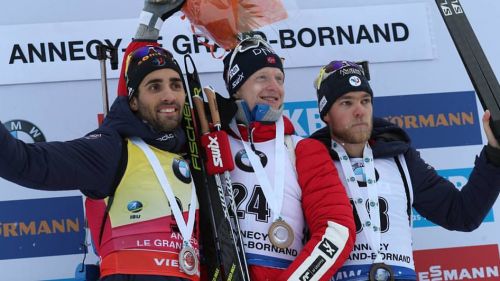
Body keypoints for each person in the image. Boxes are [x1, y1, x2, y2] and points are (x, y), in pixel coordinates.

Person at [0, 1, 201, 280]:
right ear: (132, 101)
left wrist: (152, 22)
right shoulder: (111, 150)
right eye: (155, 86)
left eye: (175, 85)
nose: (169, 95)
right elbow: (24, 163)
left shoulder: (194, 151)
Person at [309, 60, 500, 281]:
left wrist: (494, 154)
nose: (360, 111)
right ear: (326, 113)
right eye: (346, 103)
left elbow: (461, 214)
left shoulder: (400, 157)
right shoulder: (308, 161)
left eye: (365, 101)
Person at [214, 36, 356, 281]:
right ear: (237, 86)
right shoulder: (210, 142)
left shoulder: (303, 150)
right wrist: (148, 28)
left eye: (279, 79)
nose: (274, 87)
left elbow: (336, 231)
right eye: (262, 78)